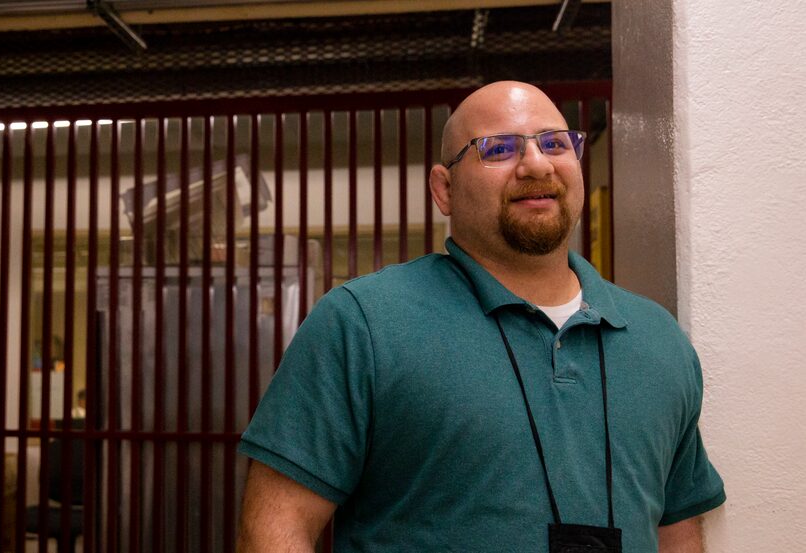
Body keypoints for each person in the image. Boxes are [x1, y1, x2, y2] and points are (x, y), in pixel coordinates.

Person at [235, 81, 725, 552]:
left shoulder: (658, 339)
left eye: (555, 143)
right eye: (498, 148)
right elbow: (273, 530)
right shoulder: (365, 323)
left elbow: (676, 533)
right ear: (443, 189)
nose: (536, 164)